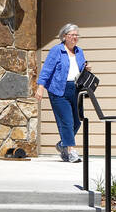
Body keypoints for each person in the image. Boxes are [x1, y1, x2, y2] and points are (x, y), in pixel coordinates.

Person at [36, 23, 90, 162]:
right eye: (71, 35)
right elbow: (47, 69)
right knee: (67, 121)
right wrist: (41, 87)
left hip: (76, 90)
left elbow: (80, 69)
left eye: (76, 35)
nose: (74, 38)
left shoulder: (79, 52)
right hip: (59, 90)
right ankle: (71, 151)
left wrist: (87, 68)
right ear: (64, 36)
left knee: (77, 122)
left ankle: (62, 145)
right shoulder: (57, 50)